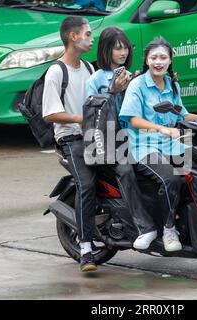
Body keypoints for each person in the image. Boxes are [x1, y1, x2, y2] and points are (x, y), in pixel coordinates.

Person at [119, 37, 197, 252]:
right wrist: (161, 129)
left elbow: (183, 114)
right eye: (153, 58)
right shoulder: (138, 85)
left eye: (163, 57)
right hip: (144, 146)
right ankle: (168, 228)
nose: (158, 62)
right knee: (171, 178)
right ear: (146, 60)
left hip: (174, 144)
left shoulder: (172, 84)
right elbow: (133, 120)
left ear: (170, 61)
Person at [85, 27, 157, 250]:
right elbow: (91, 112)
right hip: (108, 139)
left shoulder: (132, 76)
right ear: (106, 50)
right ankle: (145, 227)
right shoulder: (96, 79)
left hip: (134, 136)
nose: (123, 52)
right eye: (117, 48)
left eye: (125, 47)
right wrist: (113, 91)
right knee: (125, 170)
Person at [42, 16, 98, 272]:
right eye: (87, 34)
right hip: (70, 139)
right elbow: (49, 114)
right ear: (73, 37)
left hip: (95, 135)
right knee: (87, 184)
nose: (92, 38)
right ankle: (86, 247)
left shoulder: (89, 68)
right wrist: (78, 119)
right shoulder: (56, 72)